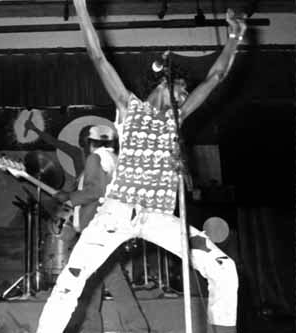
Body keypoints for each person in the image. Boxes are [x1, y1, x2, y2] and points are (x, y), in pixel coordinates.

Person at [35, 2, 246, 333]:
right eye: (182, 89)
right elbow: (98, 57)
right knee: (71, 278)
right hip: (117, 214)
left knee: (223, 268)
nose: (186, 95)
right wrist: (80, 7)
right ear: (165, 85)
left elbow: (215, 77)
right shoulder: (129, 107)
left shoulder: (178, 119)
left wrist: (234, 37)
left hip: (160, 218)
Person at [26, 119, 147, 333]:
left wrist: (71, 198)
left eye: (86, 142)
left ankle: (135, 328)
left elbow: (95, 193)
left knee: (110, 281)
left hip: (102, 230)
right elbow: (59, 146)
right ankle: (108, 329)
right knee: (91, 285)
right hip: (94, 230)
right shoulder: (84, 158)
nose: (84, 146)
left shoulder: (99, 161)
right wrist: (36, 130)